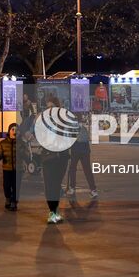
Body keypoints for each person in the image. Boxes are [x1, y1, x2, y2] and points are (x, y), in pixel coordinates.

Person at [39, 96, 71, 225]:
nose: (49, 109)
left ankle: (55, 211)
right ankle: (52, 212)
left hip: (62, 157)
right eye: (47, 107)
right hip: (48, 157)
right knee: (49, 185)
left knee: (56, 185)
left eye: (52, 106)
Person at [65, 116, 98, 199]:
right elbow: (87, 139)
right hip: (85, 151)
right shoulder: (84, 128)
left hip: (75, 150)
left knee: (72, 169)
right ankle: (93, 190)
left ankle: (72, 188)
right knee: (87, 170)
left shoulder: (72, 127)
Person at [0, 123, 21, 211]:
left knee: (16, 186)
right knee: (7, 185)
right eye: (12, 129)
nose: (14, 132)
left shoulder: (21, 143)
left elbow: (26, 154)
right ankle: (8, 198)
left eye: (16, 130)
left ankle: (14, 202)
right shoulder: (3, 143)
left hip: (18, 169)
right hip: (7, 168)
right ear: (9, 131)